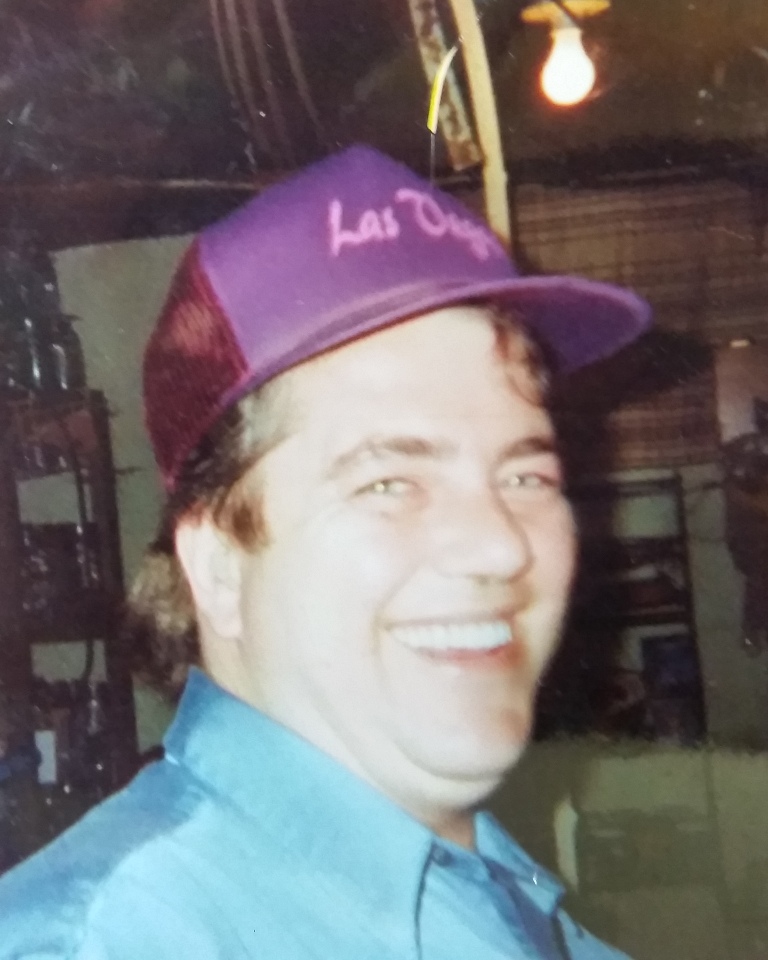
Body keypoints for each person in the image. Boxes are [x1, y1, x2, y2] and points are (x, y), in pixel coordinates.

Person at [0, 145, 650, 958]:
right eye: (389, 482)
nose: (498, 545)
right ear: (219, 567)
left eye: (526, 476)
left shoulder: (495, 896)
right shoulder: (111, 939)